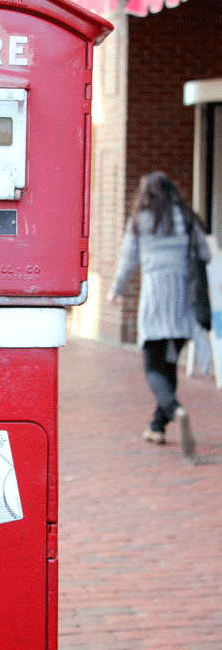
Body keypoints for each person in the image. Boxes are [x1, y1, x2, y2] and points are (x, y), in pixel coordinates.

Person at [107, 171, 210, 458]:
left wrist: (115, 291)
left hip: (155, 301)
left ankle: (175, 410)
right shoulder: (187, 217)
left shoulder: (140, 220)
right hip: (183, 304)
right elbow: (205, 254)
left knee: (153, 369)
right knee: (169, 364)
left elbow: (127, 260)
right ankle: (157, 427)